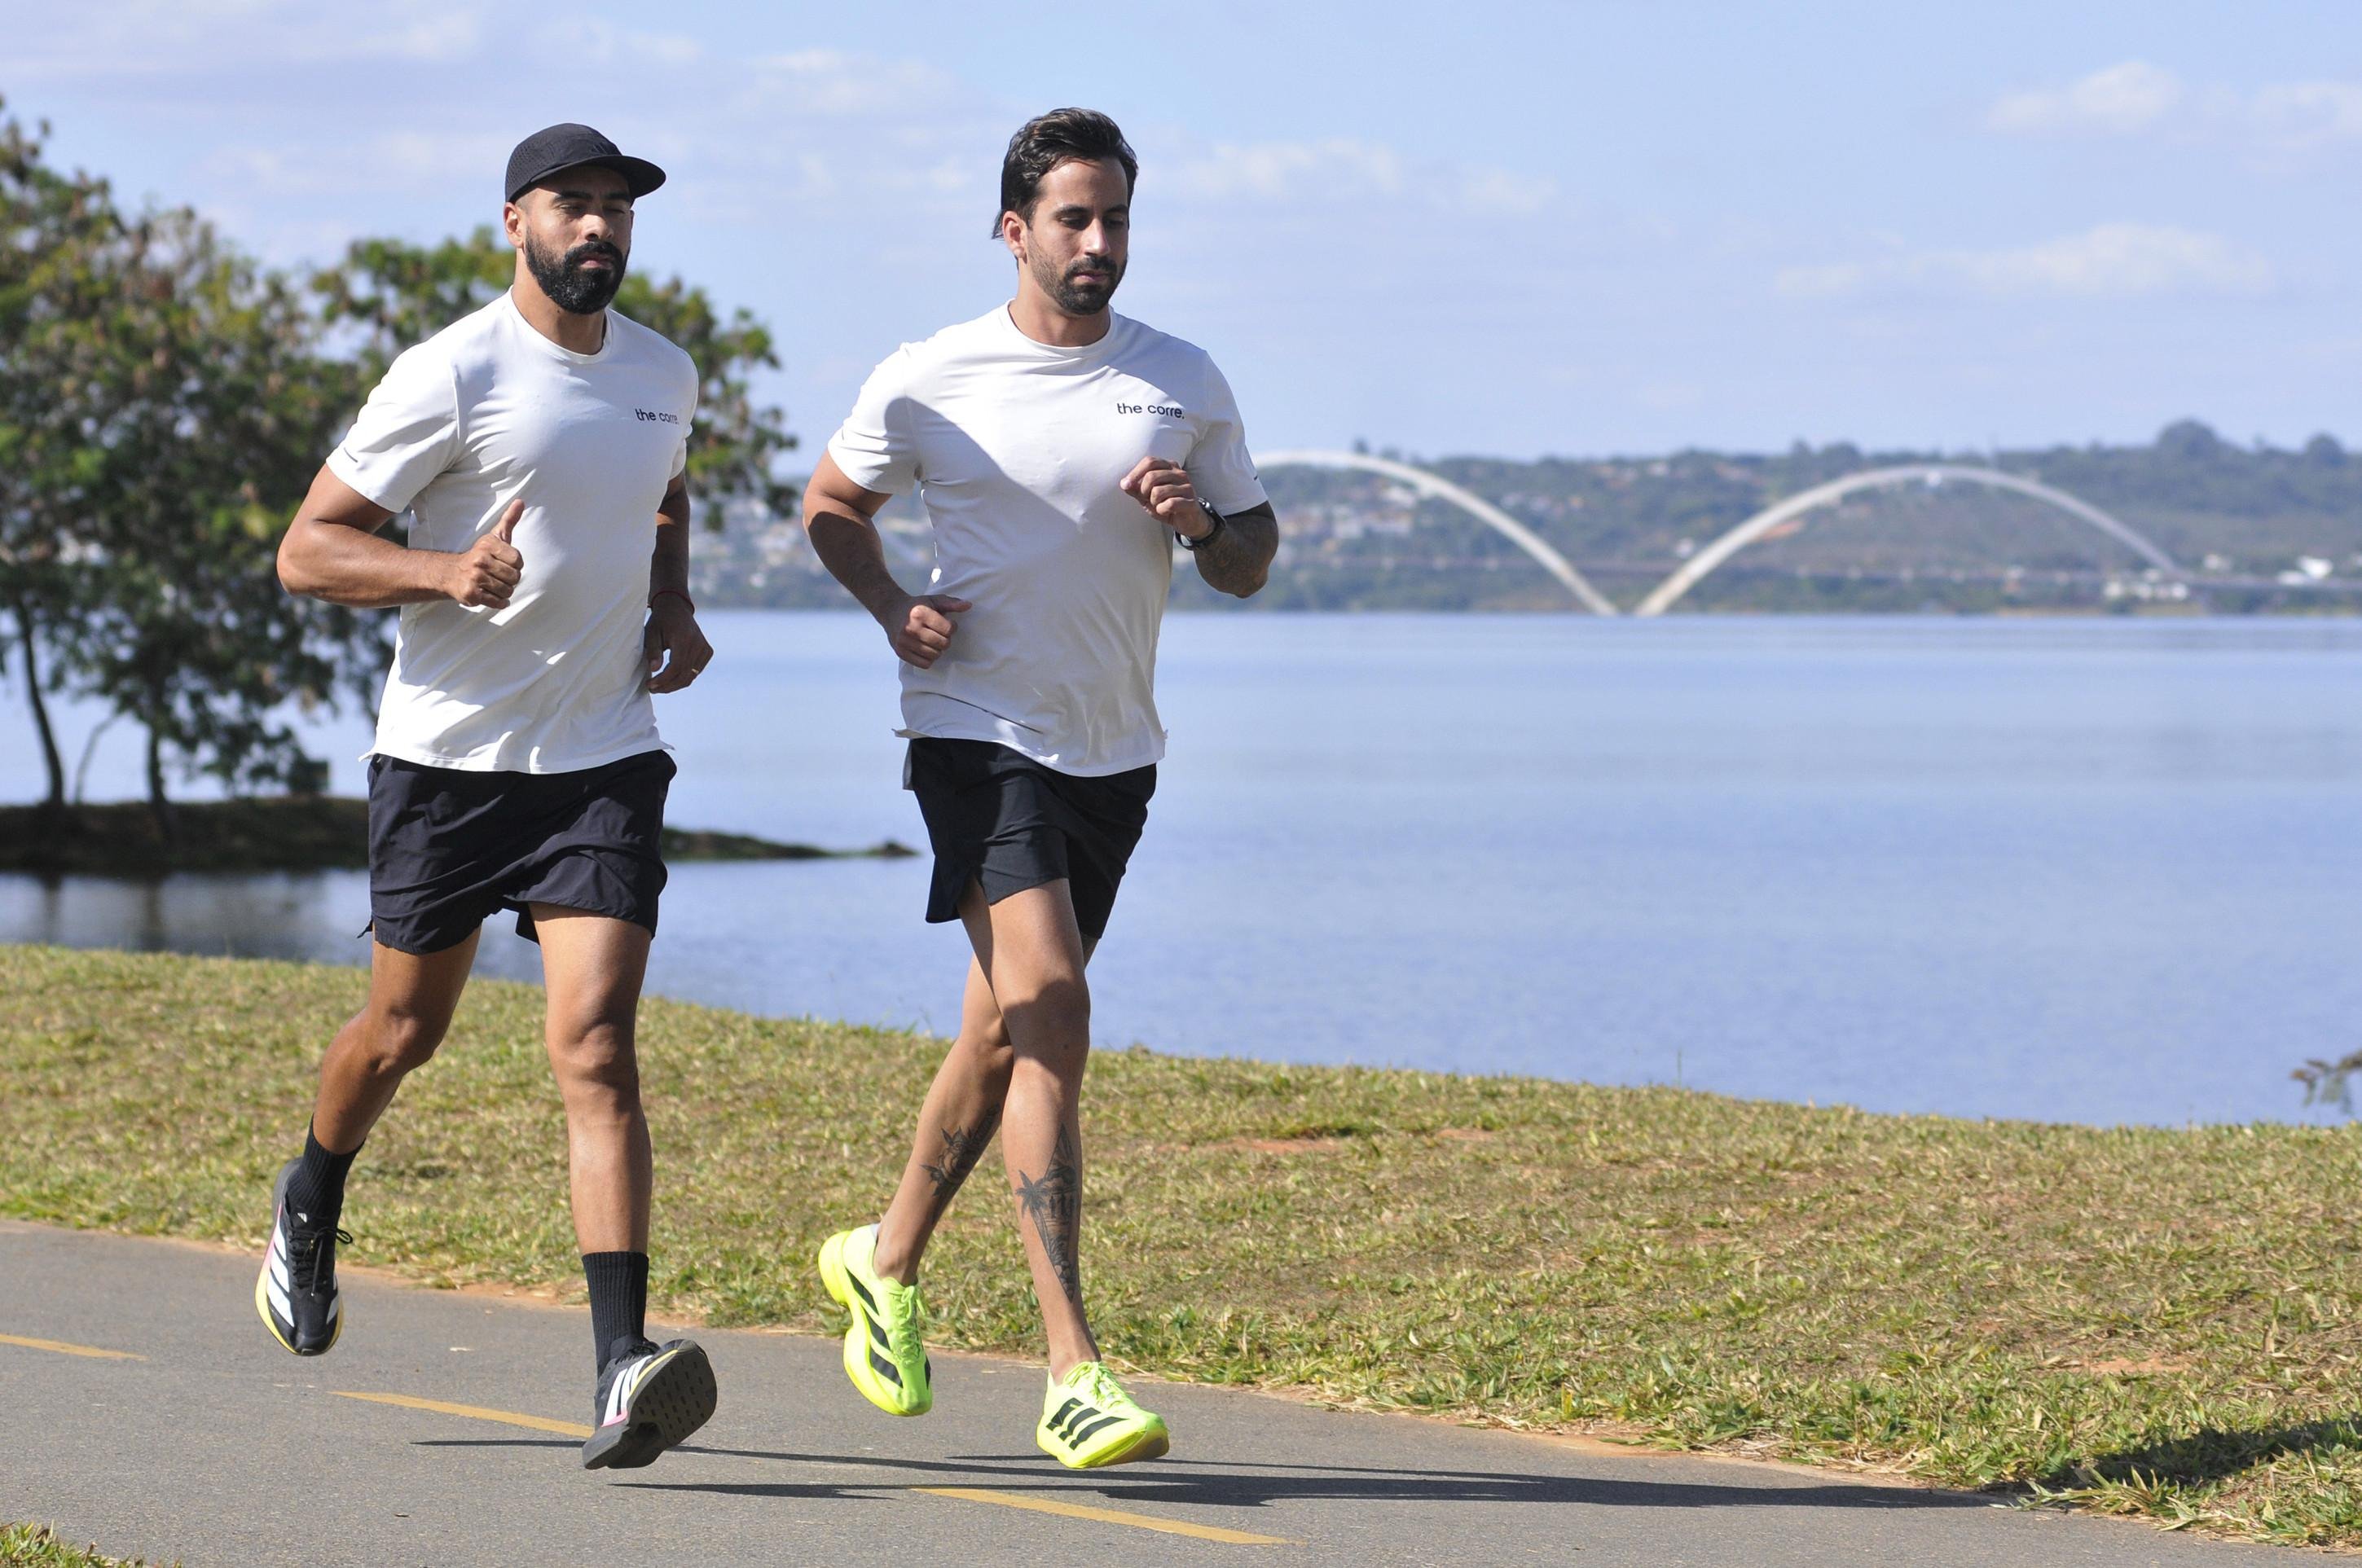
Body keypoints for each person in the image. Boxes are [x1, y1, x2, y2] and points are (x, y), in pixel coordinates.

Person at [801, 107, 1279, 1469]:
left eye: (1117, 218)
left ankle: (882, 1259)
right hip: (974, 732)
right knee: (1055, 1003)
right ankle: (1072, 1363)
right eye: (1073, 218)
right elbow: (831, 503)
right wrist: (892, 605)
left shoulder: (1180, 377)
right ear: (1014, 230)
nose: (1099, 243)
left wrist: (1198, 521)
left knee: (1009, 1029)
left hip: (1112, 751)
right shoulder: (932, 372)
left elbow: (1252, 556)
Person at [265, 123, 718, 1471]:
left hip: (602, 758)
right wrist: (443, 572)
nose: (599, 230)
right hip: (448, 765)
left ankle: (620, 1366)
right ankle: (311, 1188)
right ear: (512, 222)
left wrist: (677, 600)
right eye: (572, 206)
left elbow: (662, 490)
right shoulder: (452, 368)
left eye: (616, 211)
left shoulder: (664, 372)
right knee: (402, 1030)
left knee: (597, 1043)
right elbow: (308, 549)